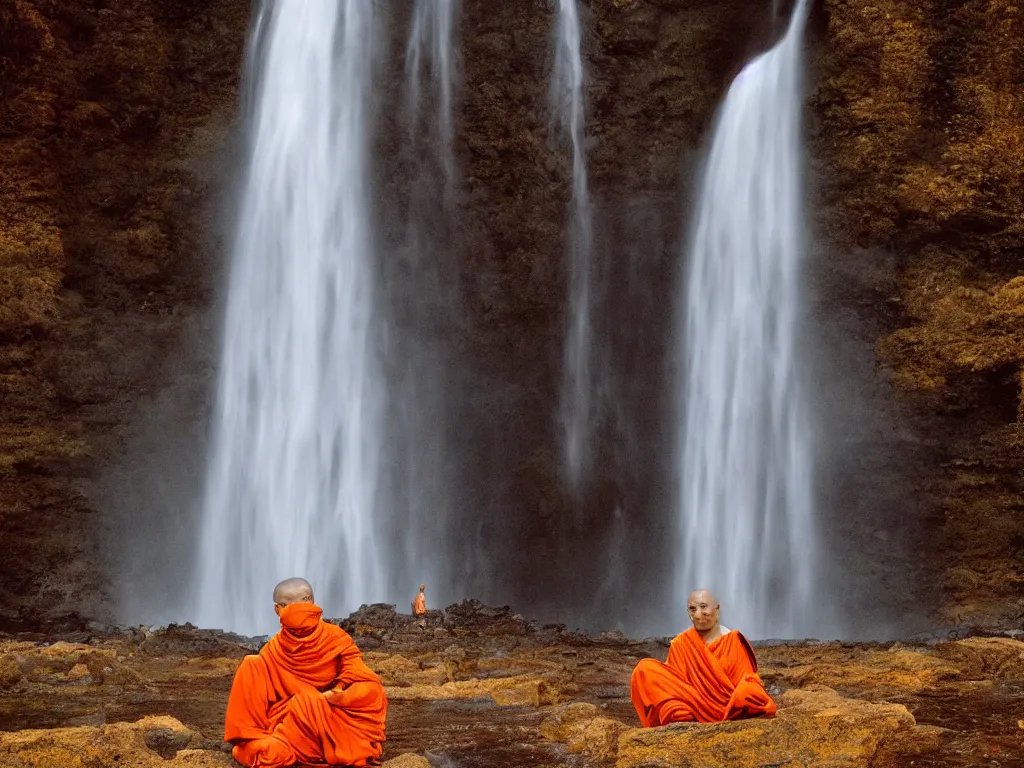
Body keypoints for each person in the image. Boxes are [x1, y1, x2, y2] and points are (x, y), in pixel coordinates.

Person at [224, 578, 387, 767]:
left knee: (372, 691)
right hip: (291, 722)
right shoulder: (270, 653)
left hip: (331, 719)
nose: (299, 612)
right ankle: (272, 744)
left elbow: (358, 675)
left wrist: (335, 695)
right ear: (278, 610)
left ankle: (288, 747)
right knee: (252, 665)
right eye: (291, 606)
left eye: (303, 602)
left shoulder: (336, 637)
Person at [630, 589, 777, 726]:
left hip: (729, 705)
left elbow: (747, 678)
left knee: (749, 692)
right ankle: (681, 714)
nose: (699, 614)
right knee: (644, 669)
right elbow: (675, 683)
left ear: (717, 609)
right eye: (693, 609)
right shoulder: (681, 643)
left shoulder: (733, 640)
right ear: (688, 613)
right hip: (691, 704)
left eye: (704, 607)